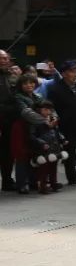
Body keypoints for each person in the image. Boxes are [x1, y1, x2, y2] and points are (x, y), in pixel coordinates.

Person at [11, 74, 48, 194]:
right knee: (22, 156)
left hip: (37, 129)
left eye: (31, 82)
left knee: (35, 154)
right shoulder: (17, 97)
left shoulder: (38, 96)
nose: (29, 85)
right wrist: (44, 120)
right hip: (21, 129)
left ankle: (34, 181)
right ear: (20, 86)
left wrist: (52, 117)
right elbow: (26, 113)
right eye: (25, 83)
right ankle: (22, 184)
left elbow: (48, 108)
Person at [28, 100, 68, 194]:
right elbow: (32, 136)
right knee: (43, 168)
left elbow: (56, 132)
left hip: (54, 147)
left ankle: (53, 183)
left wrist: (62, 139)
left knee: (53, 166)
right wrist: (42, 143)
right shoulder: (35, 122)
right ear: (39, 110)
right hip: (43, 149)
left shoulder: (52, 120)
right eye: (45, 110)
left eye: (49, 110)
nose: (48, 112)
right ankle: (43, 185)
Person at [0, 49, 19, 190]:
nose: (3, 61)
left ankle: (7, 180)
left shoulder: (13, 77)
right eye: (1, 58)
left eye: (6, 58)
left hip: (10, 121)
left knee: (8, 152)